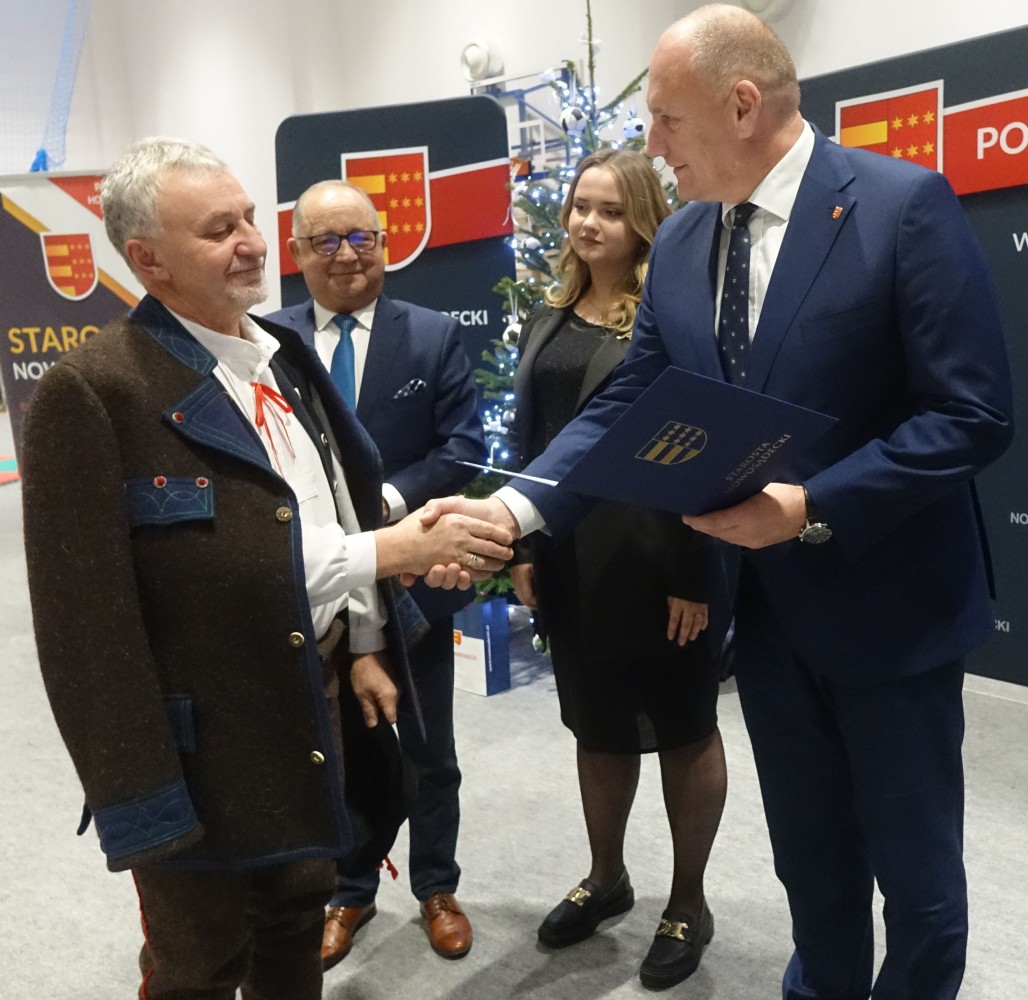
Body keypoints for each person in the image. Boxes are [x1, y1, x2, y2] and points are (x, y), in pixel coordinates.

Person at [420, 6, 1015, 999]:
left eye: (665, 118)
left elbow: (972, 414)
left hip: (891, 613)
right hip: (768, 622)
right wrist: (516, 512)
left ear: (741, 106)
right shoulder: (688, 237)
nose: (652, 145)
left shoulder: (898, 205)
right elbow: (630, 400)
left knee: (915, 879)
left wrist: (812, 504)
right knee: (810, 860)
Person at [19, 137, 511, 1000]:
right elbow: (83, 628)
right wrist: (138, 798)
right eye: (220, 231)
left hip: (309, 711)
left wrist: (365, 640)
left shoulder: (281, 355)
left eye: (249, 217)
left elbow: (327, 508)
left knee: (292, 937)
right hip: (199, 755)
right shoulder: (92, 390)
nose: (253, 241)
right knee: (201, 966)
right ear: (148, 259)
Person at [508, 147, 727, 990]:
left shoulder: (670, 320)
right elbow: (533, 445)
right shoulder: (548, 315)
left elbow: (703, 449)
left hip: (659, 556)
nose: (587, 223)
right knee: (596, 725)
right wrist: (525, 548)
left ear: (643, 222)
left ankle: (688, 902)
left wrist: (692, 573)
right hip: (572, 557)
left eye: (608, 209)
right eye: (579, 206)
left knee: (682, 727)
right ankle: (607, 879)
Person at [267, 179, 486, 964]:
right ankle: (350, 889)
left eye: (361, 237)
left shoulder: (431, 335)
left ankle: (436, 886)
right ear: (297, 253)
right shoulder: (267, 341)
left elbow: (464, 447)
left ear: (385, 244)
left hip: (415, 576)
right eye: (326, 240)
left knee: (429, 748)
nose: (347, 254)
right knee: (342, 747)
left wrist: (384, 503)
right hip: (316, 582)